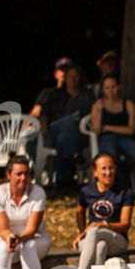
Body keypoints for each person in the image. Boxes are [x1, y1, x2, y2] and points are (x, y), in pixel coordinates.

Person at [55, 153, 134, 269]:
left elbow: (125, 225)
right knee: (100, 245)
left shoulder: (125, 192)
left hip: (117, 240)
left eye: (111, 168)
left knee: (95, 232)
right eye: (103, 168)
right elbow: (79, 211)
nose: (108, 172)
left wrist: (105, 224)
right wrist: (81, 231)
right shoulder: (87, 191)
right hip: (93, 240)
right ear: (95, 171)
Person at [39, 63, 95, 194]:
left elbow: (93, 114)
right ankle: (77, 155)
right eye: (70, 76)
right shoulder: (55, 94)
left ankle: (63, 183)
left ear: (81, 78)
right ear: (65, 78)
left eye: (76, 76)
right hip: (52, 131)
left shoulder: (87, 94)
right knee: (67, 122)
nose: (73, 79)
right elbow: (44, 115)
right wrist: (43, 124)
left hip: (80, 133)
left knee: (63, 140)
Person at [91, 74, 135, 178]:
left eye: (113, 87)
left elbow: (131, 130)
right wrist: (99, 112)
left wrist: (107, 127)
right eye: (107, 88)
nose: (111, 91)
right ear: (103, 89)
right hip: (105, 138)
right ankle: (120, 181)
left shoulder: (129, 104)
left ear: (119, 87)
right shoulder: (97, 105)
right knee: (111, 154)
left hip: (125, 138)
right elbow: (96, 131)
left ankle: (119, 177)